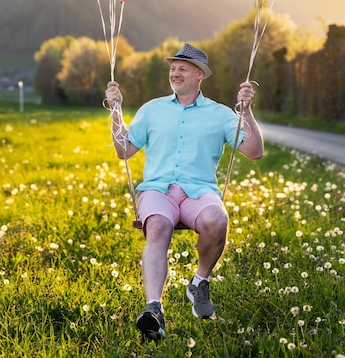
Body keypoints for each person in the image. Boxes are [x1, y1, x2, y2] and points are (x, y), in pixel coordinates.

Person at [105, 43, 263, 341]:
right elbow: (123, 150)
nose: (175, 74)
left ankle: (199, 282)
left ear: (199, 75)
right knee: (158, 226)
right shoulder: (152, 109)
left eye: (183, 69)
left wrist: (247, 111)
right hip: (157, 191)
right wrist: (116, 110)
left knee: (218, 220)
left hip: (199, 191)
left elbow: (254, 152)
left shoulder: (219, 114)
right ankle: (154, 309)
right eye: (173, 68)